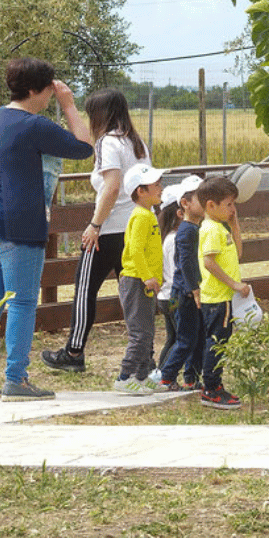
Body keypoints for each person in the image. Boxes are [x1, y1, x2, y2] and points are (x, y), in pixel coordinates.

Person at [0, 57, 93, 401]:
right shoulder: (34, 125)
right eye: (49, 88)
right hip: (18, 224)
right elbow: (84, 146)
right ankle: (15, 379)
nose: (52, 93)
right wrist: (70, 106)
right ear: (35, 89)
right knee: (22, 303)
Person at [42, 88, 149, 373]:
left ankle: (74, 352)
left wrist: (95, 225)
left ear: (100, 115)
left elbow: (112, 187)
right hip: (135, 228)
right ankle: (145, 355)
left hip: (109, 229)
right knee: (135, 293)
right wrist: (69, 107)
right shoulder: (136, 143)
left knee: (84, 289)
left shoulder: (107, 144)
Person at [113, 164, 167, 395]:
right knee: (140, 333)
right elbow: (135, 251)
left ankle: (142, 377)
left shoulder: (148, 214)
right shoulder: (142, 217)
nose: (160, 188)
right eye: (155, 185)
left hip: (143, 281)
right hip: (136, 281)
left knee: (147, 331)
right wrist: (147, 277)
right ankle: (125, 377)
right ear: (140, 191)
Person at [197, 174, 248, 409]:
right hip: (218, 298)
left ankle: (214, 385)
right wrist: (234, 284)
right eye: (229, 204)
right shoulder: (211, 230)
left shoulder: (220, 228)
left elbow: (237, 253)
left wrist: (235, 225)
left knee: (221, 341)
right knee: (217, 343)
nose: (232, 209)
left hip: (223, 298)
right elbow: (209, 262)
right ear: (211, 205)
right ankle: (211, 387)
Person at [157, 174, 205, 392]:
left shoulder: (192, 230)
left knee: (194, 338)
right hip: (182, 295)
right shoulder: (185, 232)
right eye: (201, 198)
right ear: (184, 205)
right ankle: (166, 377)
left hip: (183, 293)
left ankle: (191, 378)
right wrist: (194, 288)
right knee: (185, 339)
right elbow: (185, 263)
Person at [155, 182, 184, 375]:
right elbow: (176, 274)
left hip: (166, 296)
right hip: (174, 297)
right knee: (181, 339)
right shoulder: (174, 239)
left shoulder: (168, 237)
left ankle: (159, 373)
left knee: (173, 338)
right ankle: (165, 374)